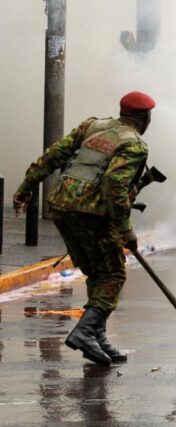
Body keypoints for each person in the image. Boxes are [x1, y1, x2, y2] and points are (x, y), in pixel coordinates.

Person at [12, 91, 156, 365]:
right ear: (145, 118)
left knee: (96, 271)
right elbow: (115, 185)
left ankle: (98, 338)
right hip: (90, 212)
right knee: (113, 274)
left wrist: (25, 188)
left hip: (62, 205)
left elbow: (52, 156)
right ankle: (86, 331)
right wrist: (126, 231)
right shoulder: (135, 146)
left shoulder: (92, 126)